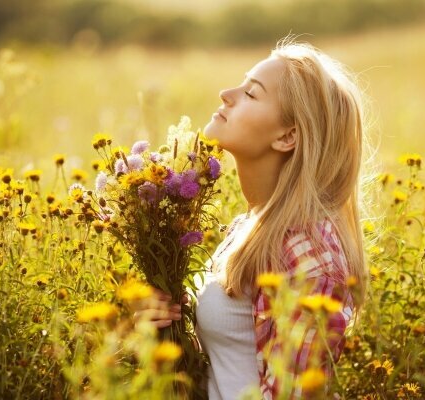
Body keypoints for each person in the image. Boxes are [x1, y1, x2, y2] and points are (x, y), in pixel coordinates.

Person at [134, 35, 369, 399]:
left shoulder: (307, 252)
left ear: (288, 136)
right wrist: (164, 334)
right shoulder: (251, 226)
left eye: (252, 93)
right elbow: (235, 365)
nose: (226, 93)